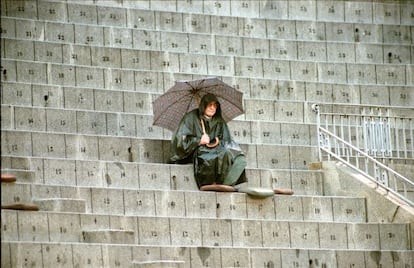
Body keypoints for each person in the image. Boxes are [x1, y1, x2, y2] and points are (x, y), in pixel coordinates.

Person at [170, 93, 293, 196]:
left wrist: (220, 144)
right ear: (203, 105)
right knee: (220, 153)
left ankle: (228, 181)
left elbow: (226, 139)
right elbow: (181, 140)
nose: (213, 108)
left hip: (216, 148)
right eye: (210, 105)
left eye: (215, 106)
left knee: (233, 153)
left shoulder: (218, 120)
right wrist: (198, 140)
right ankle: (213, 182)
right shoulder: (191, 118)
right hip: (198, 151)